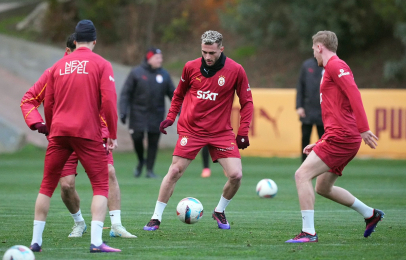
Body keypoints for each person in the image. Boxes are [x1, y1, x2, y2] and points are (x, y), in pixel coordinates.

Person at [21, 33, 136, 240]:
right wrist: (40, 123)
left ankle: (116, 225)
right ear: (68, 51)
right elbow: (29, 99)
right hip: (63, 136)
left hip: (91, 133)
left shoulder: (95, 67)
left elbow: (108, 100)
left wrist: (109, 131)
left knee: (108, 172)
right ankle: (80, 223)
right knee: (66, 185)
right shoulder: (56, 71)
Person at [143, 30, 253, 231]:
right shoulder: (190, 67)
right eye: (204, 52)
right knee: (175, 170)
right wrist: (170, 117)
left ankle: (219, 210)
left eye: (212, 53)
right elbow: (178, 95)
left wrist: (243, 131)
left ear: (221, 49)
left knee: (236, 175)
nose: (208, 57)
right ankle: (156, 217)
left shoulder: (236, 70)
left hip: (220, 132)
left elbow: (247, 102)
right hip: (191, 129)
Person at [286, 31, 384, 243]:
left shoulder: (335, 65)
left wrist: (364, 128)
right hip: (338, 135)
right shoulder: (332, 67)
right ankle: (371, 214)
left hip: (343, 136)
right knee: (323, 187)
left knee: (301, 175)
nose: (313, 54)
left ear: (320, 47)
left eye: (314, 49)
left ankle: (308, 232)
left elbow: (354, 93)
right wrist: (321, 142)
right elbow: (337, 109)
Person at [119, 48, 175, 178]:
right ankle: (140, 161)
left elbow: (174, 94)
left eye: (161, 57)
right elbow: (125, 94)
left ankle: (149, 170)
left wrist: (181, 110)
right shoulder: (136, 73)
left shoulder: (164, 75)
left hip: (157, 114)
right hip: (138, 114)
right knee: (137, 138)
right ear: (149, 58)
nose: (160, 60)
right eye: (157, 57)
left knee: (153, 142)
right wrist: (123, 112)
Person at [296, 57, 325, 162]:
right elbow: (300, 87)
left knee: (324, 141)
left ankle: (323, 166)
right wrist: (299, 106)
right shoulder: (307, 65)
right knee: (305, 138)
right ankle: (304, 165)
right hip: (307, 109)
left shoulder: (328, 66)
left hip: (323, 111)